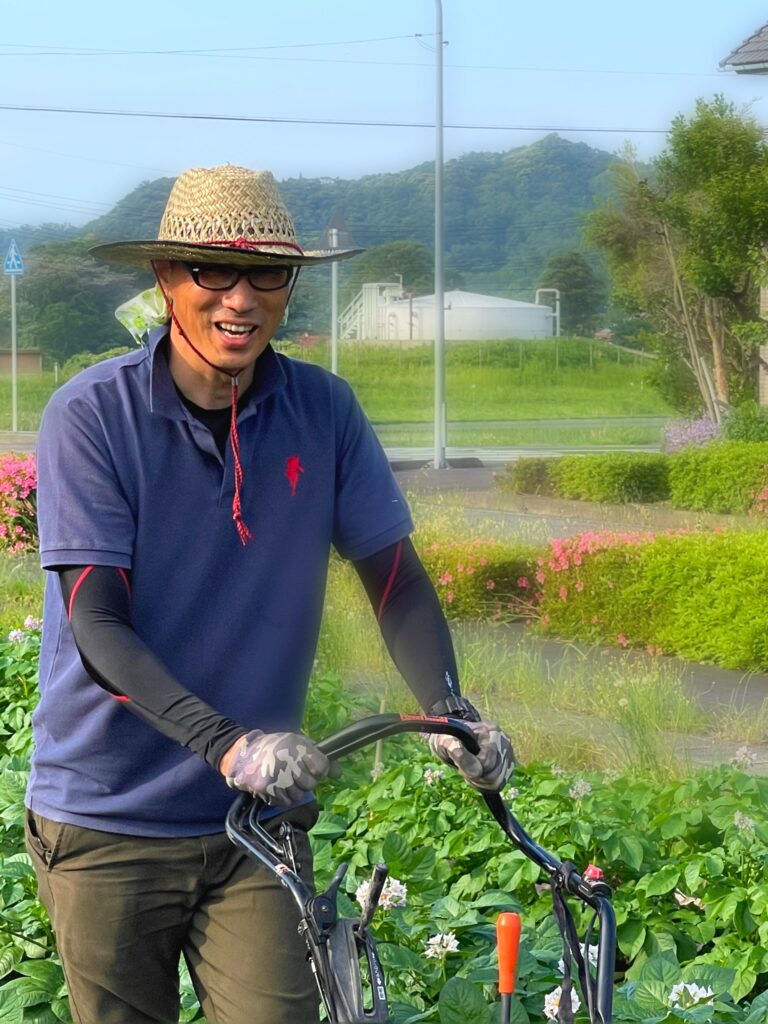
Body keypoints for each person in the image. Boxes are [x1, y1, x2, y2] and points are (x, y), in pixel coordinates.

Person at [25, 163, 514, 1024]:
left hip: (256, 820)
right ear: (166, 278)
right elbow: (95, 621)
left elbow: (394, 579)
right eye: (212, 271)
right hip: (108, 816)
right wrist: (229, 744)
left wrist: (450, 711)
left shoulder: (323, 411)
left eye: (268, 275)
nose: (240, 299)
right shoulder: (93, 415)